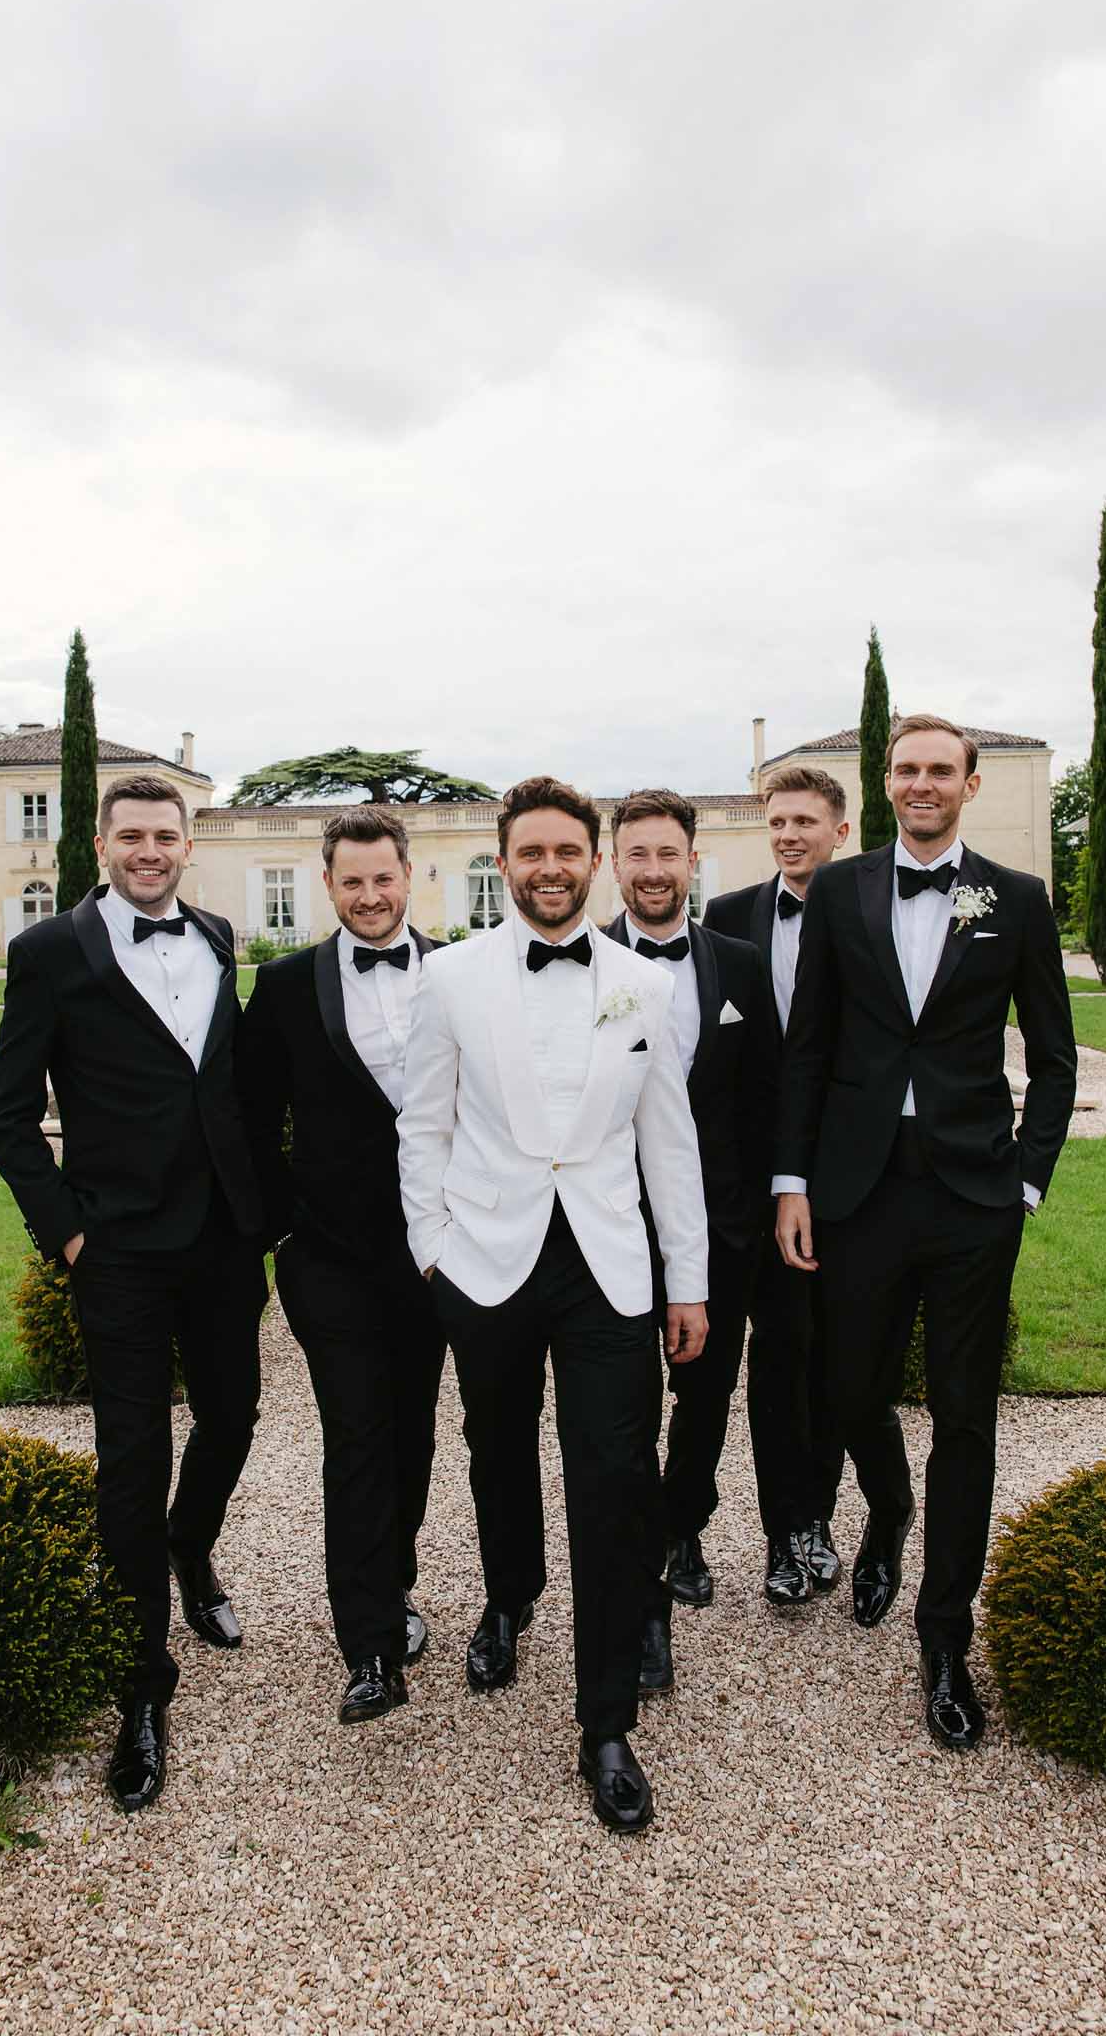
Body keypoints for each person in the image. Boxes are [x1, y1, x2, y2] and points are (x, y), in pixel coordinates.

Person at [397, 776, 708, 1833]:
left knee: (615, 1479)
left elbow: (668, 1139)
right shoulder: (447, 977)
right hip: (485, 1257)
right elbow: (422, 1124)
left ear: (594, 860)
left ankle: (606, 1722)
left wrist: (687, 1278)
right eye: (530, 851)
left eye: (567, 851)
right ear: (503, 861)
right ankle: (510, 1593)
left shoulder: (644, 984)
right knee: (495, 1448)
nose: (549, 868)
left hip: (608, 1265)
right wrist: (432, 1249)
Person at [774, 715, 1076, 1751]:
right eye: (906, 768)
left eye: (940, 770)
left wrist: (1024, 1183)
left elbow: (1055, 1058)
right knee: (848, 1390)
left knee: (966, 1415)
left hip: (971, 1198)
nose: (922, 784)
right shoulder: (840, 891)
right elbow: (807, 1046)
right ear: (886, 782)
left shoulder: (1016, 900)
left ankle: (943, 1636)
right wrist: (791, 1181)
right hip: (857, 1191)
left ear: (970, 785)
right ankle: (890, 1506)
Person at [0, 775, 266, 1813]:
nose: (151, 850)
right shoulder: (49, 952)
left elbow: (217, 1082)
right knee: (131, 1457)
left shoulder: (219, 936)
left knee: (234, 1416)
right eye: (132, 835)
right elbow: (11, 1117)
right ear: (101, 843)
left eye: (166, 835)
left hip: (224, 1240)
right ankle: (141, 1687)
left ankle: (191, 1543)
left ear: (189, 844)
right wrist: (67, 1235)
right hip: (118, 1251)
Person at [236, 806, 445, 1727]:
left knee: (413, 1435)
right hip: (329, 1259)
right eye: (351, 881)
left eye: (382, 878)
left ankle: (392, 1581)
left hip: (435, 1257)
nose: (368, 895)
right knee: (356, 1436)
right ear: (327, 884)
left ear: (409, 876)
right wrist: (283, 1227)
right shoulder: (284, 986)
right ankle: (367, 1648)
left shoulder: (460, 974)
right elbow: (248, 1117)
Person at [604, 787, 778, 1683]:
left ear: (691, 862)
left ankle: (684, 1527)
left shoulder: (739, 966)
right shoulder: (583, 964)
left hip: (721, 1226)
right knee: (627, 1404)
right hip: (610, 1226)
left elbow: (767, 1095)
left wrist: (764, 1206)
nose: (653, 871)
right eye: (636, 854)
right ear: (614, 863)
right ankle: (640, 1562)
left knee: (704, 1396)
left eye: (667, 854)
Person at [704, 765, 874, 1608]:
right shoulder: (726, 916)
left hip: (844, 1172)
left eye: (804, 821)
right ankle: (784, 1529)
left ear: (839, 831)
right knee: (775, 1354)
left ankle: (818, 1516)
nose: (788, 835)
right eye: (776, 822)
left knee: (832, 1356)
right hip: (752, 1181)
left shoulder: (870, 911)